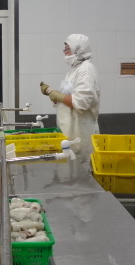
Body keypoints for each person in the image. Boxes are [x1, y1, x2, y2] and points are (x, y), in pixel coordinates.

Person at [40, 34, 100, 168]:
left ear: (79, 50)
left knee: (82, 172)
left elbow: (81, 103)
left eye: (68, 49)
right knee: (71, 171)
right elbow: (68, 97)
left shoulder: (86, 70)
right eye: (64, 49)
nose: (65, 52)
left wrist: (56, 95)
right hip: (70, 134)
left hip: (81, 134)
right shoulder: (73, 70)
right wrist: (52, 93)